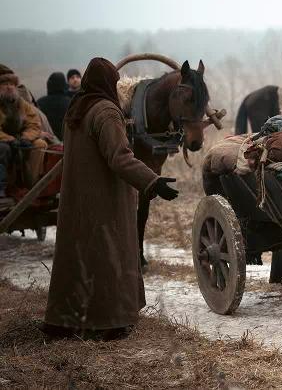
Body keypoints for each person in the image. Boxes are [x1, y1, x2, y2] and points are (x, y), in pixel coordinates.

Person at [42, 57, 179, 341]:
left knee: (78, 259)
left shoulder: (76, 110)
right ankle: (110, 322)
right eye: (115, 83)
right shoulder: (106, 112)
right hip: (104, 200)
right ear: (107, 84)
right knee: (108, 256)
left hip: (77, 201)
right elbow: (120, 158)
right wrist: (152, 182)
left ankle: (65, 319)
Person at [0, 65, 46, 202]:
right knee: (4, 150)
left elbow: (34, 124)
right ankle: (6, 186)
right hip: (4, 142)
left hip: (20, 140)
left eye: (12, 84)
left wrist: (26, 137)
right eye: (4, 84)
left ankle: (33, 185)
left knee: (40, 144)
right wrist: (9, 139)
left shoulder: (22, 104)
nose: (9, 87)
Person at [37, 72, 72, 140]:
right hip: (66, 141)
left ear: (48, 85)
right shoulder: (71, 102)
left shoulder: (39, 102)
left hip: (47, 140)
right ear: (64, 85)